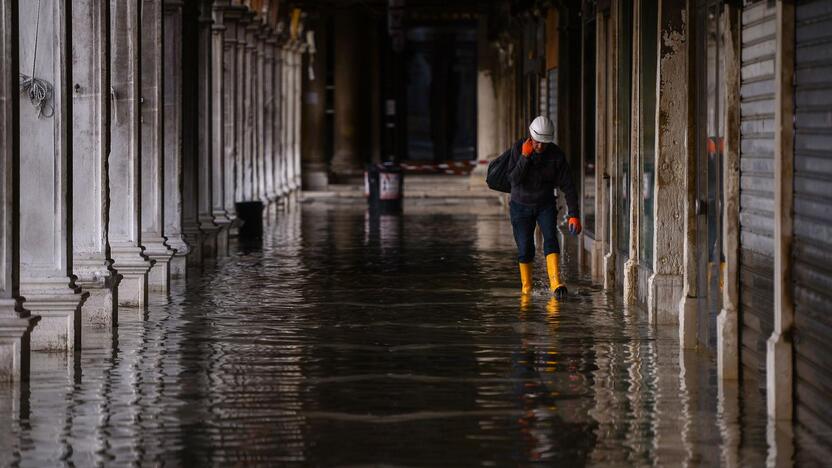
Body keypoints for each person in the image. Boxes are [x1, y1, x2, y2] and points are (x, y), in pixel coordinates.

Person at [501, 115, 581, 299]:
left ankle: (555, 283)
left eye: (544, 143)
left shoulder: (556, 155)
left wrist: (574, 214)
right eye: (537, 142)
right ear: (531, 137)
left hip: (545, 204)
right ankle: (527, 288)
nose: (540, 147)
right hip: (520, 207)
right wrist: (524, 157)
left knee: (551, 238)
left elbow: (568, 186)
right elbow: (513, 180)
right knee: (524, 248)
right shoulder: (518, 148)